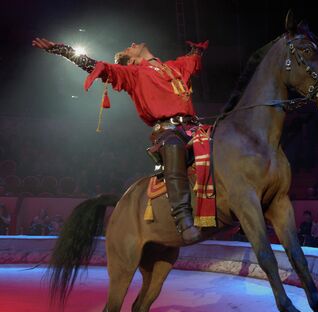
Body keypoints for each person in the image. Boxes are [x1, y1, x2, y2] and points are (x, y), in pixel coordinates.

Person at [32, 37, 209, 245]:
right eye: (129, 48)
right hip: (169, 131)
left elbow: (192, 59)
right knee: (172, 145)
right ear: (131, 60)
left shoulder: (173, 67)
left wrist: (197, 50)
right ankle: (182, 219)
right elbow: (94, 65)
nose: (132, 43)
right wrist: (61, 49)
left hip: (195, 128)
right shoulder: (132, 73)